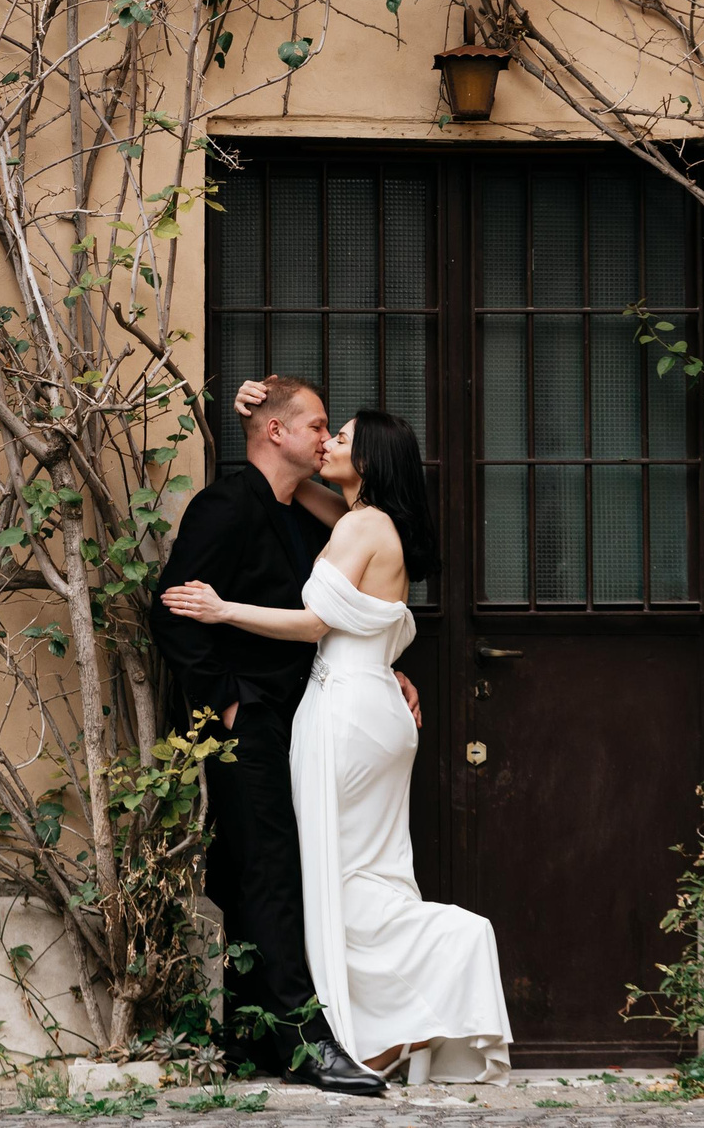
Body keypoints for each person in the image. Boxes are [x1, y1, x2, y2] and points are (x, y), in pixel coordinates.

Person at [164, 394, 513, 1086]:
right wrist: (258, 394)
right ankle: (378, 1030)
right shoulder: (356, 517)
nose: (327, 441)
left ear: (369, 458)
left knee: (329, 874)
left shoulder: (363, 527)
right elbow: (305, 495)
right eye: (320, 426)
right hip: (367, 700)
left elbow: (317, 620)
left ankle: (420, 983)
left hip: (346, 708)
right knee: (350, 873)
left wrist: (222, 607)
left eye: (340, 434)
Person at [148, 375, 390, 1095]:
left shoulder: (299, 512)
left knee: (256, 870)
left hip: (296, 720)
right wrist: (225, 706)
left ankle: (252, 1035)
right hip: (245, 722)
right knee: (271, 870)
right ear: (277, 432)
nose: (326, 437)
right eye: (317, 424)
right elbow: (172, 613)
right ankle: (304, 1044)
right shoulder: (226, 503)